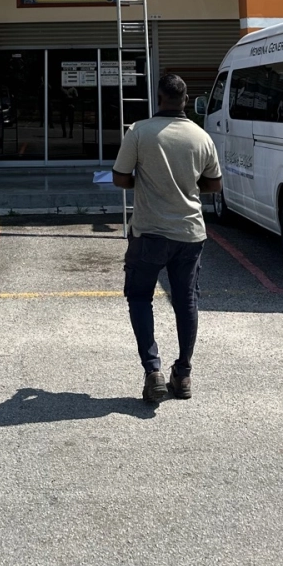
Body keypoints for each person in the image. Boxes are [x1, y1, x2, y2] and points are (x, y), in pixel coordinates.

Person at [113, 73, 222, 404]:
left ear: (158, 97)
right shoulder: (201, 137)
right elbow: (214, 184)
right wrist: (187, 187)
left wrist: (144, 184)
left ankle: (153, 372)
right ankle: (184, 374)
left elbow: (120, 178)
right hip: (190, 234)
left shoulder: (139, 132)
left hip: (149, 231)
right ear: (186, 99)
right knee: (186, 301)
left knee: (140, 296)